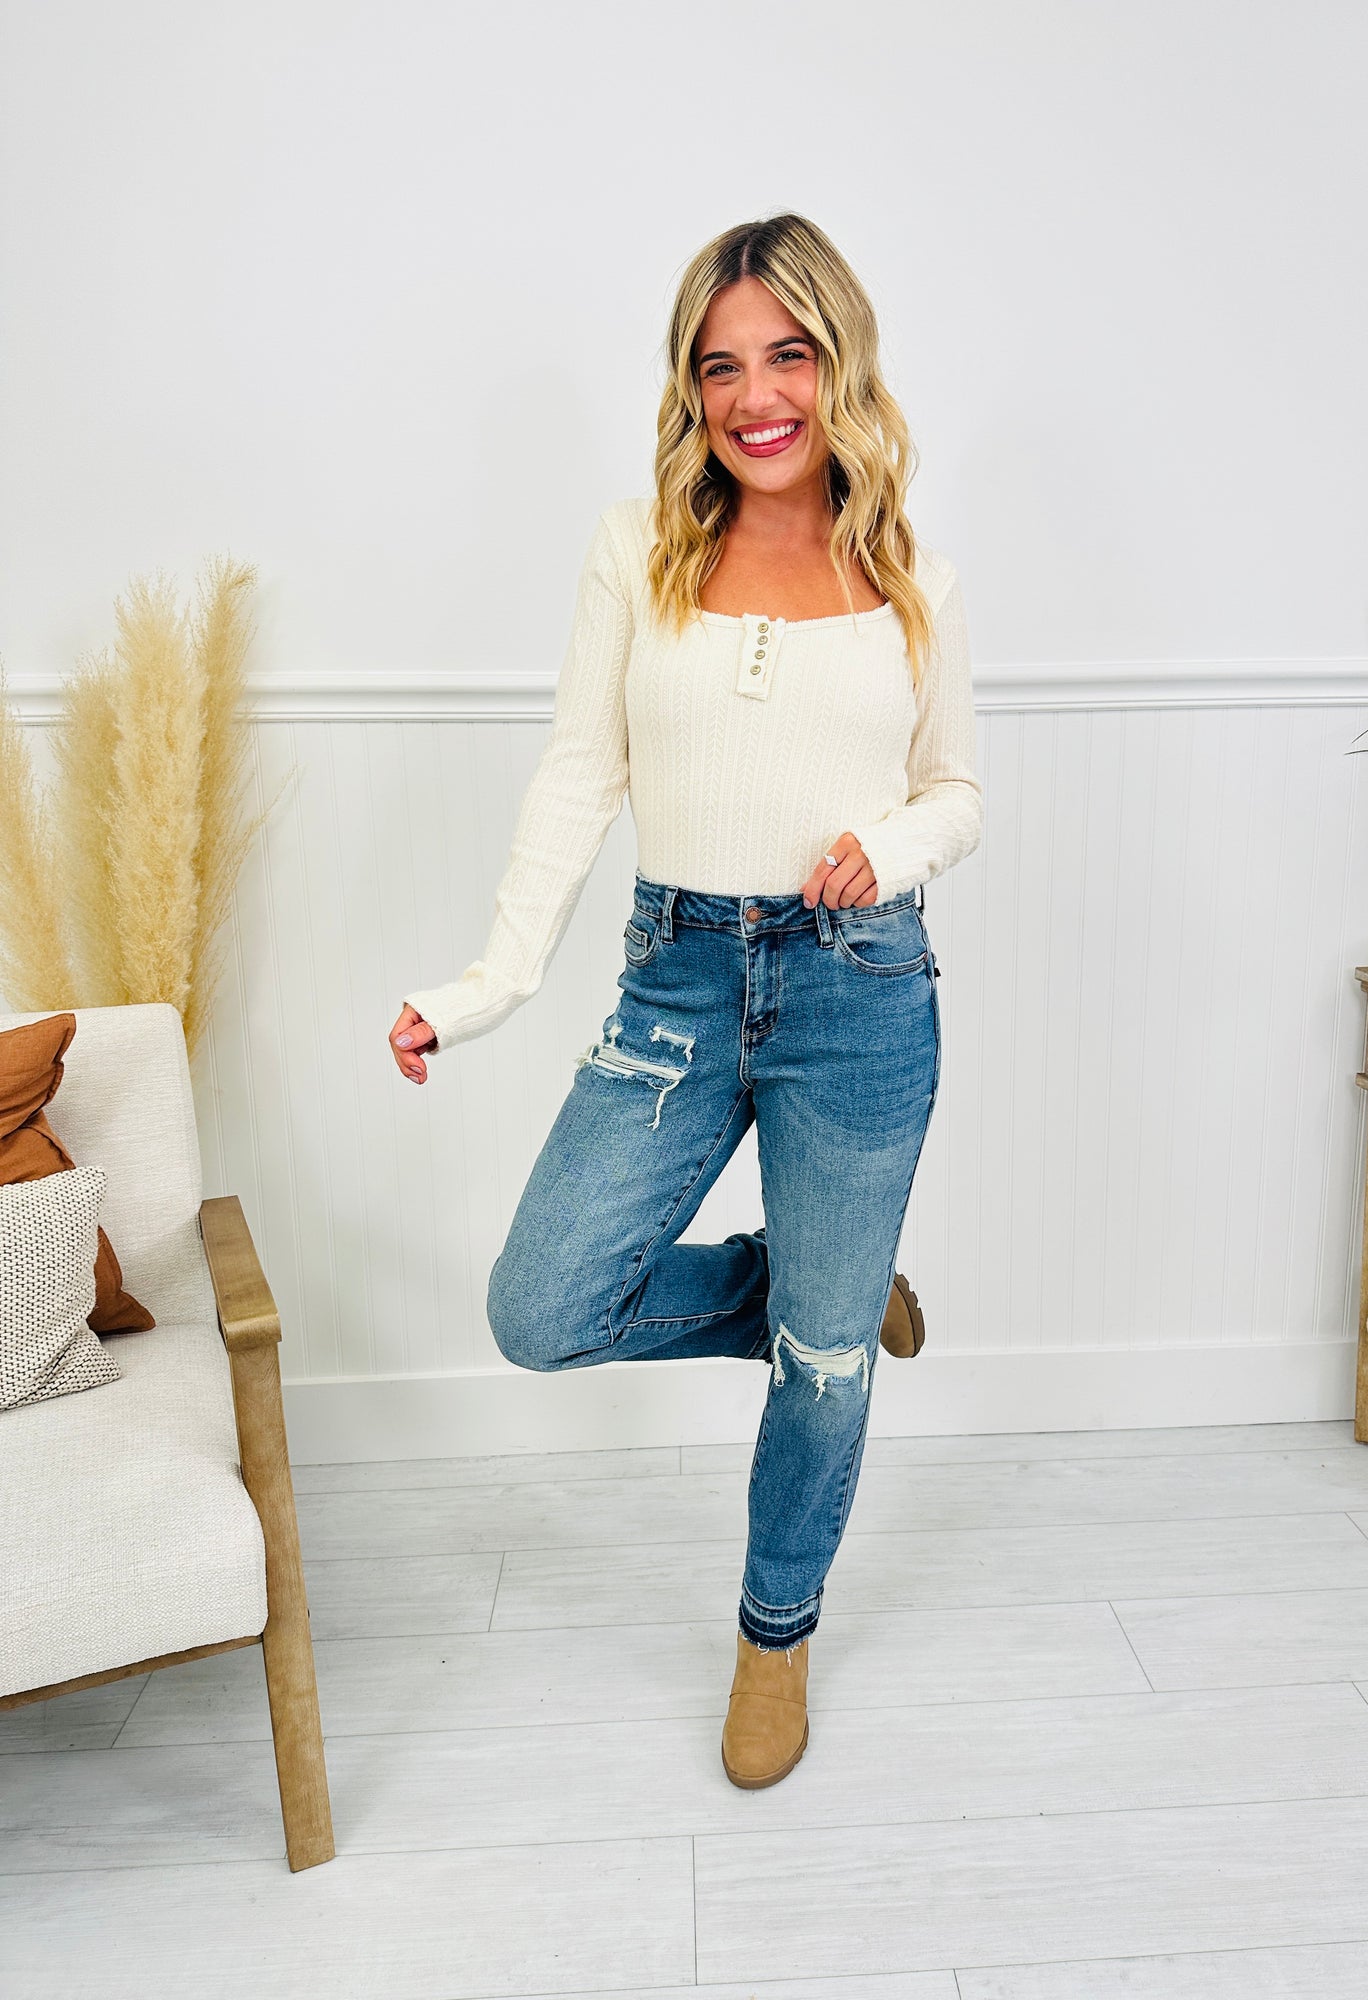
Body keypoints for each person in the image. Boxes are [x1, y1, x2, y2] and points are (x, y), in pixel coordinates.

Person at [388, 211, 982, 1789]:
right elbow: (578, 775)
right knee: (542, 1309)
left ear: (840, 364)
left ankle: (775, 1635)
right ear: (689, 387)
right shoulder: (637, 546)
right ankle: (807, 1291)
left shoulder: (909, 570)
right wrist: (486, 985)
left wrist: (889, 845)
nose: (755, 396)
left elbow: (959, 791)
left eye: (788, 356)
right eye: (720, 366)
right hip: (677, 978)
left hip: (861, 989)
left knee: (827, 1370)